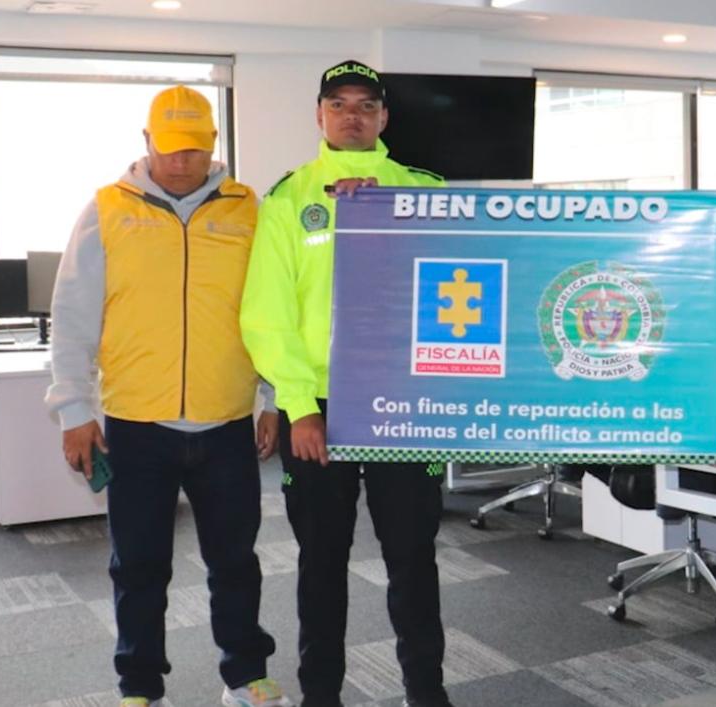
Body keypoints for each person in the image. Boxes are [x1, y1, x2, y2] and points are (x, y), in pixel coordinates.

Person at [45, 85, 291, 707]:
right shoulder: (107, 209)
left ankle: (245, 675)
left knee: (235, 562)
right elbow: (72, 316)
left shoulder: (248, 209)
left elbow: (267, 311)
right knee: (139, 567)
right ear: (146, 141)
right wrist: (74, 410)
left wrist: (271, 397)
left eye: (194, 148)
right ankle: (139, 686)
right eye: (169, 148)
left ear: (213, 145)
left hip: (227, 421)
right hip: (136, 424)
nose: (180, 162)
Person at [240, 60, 450, 707]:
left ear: (384, 117)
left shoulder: (426, 191)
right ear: (320, 116)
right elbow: (266, 316)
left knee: (412, 560)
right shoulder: (288, 198)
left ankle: (426, 692)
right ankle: (320, 695)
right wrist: (298, 407)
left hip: (403, 404)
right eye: (339, 104)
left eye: (366, 105)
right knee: (322, 563)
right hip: (320, 410)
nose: (352, 115)